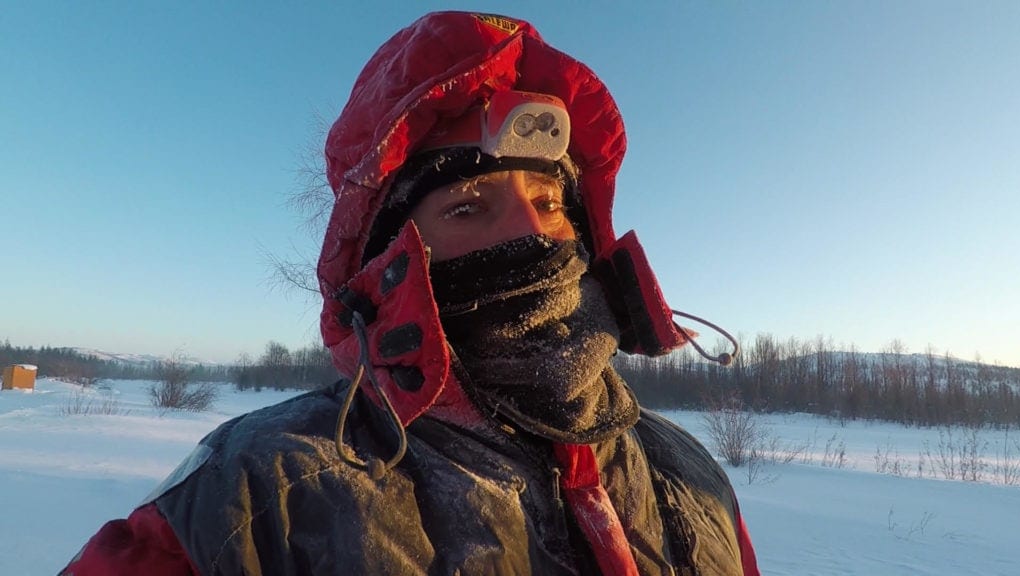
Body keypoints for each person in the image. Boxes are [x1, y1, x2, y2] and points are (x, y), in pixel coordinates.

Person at [62, 11, 760, 576]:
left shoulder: (687, 475)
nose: (538, 236)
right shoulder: (254, 504)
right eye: (467, 207)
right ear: (389, 254)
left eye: (551, 202)